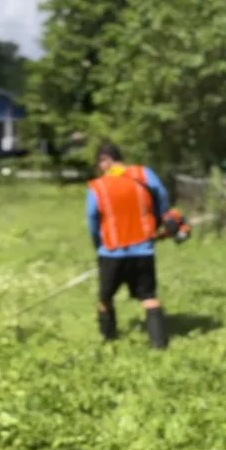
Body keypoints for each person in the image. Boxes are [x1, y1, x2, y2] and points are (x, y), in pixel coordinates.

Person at [86, 142, 170, 347]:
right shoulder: (144, 174)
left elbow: (92, 218)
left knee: (105, 299)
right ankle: (159, 345)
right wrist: (158, 222)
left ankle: (109, 339)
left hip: (111, 252)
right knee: (149, 297)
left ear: (105, 161)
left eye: (100, 163)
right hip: (143, 249)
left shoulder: (98, 187)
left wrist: (99, 245)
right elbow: (162, 196)